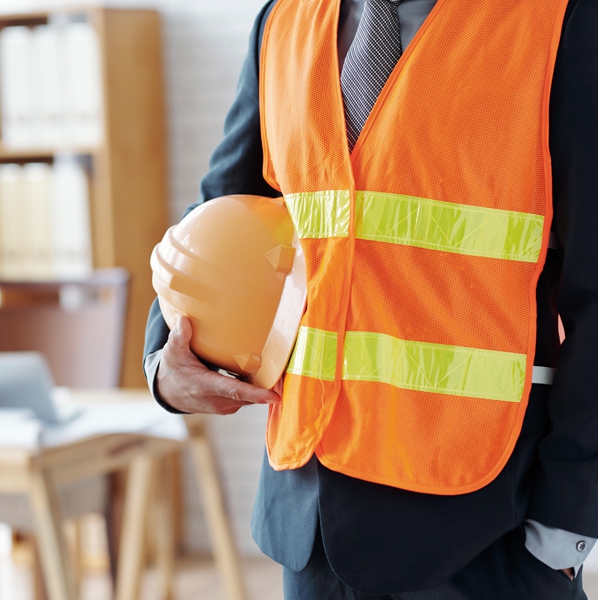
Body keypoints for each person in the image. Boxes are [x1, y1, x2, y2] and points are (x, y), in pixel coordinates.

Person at [144, 0, 598, 598]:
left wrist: (564, 525)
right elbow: (221, 211)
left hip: (485, 527)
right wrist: (165, 357)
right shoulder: (283, 20)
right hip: (308, 522)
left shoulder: (556, 20)